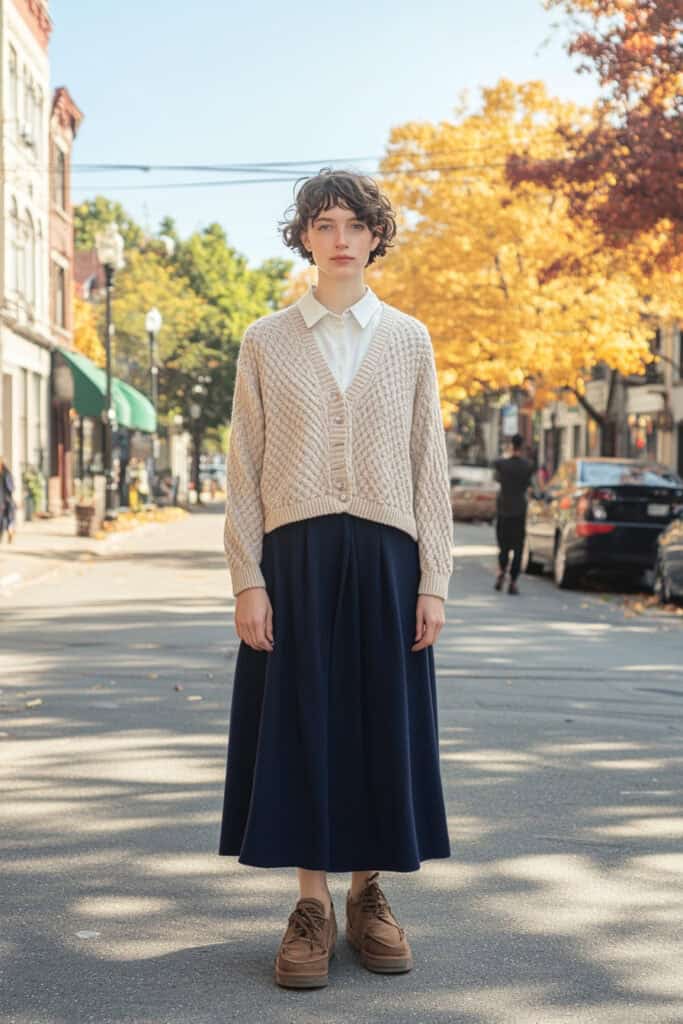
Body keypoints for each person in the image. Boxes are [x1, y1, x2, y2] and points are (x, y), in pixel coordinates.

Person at [219, 169, 453, 990]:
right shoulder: (265, 339)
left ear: (376, 235)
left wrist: (435, 579)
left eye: (355, 223)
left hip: (390, 560)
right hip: (296, 560)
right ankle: (310, 905)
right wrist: (248, 576)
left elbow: (430, 462)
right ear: (305, 237)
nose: (340, 237)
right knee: (302, 724)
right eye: (323, 223)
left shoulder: (409, 338)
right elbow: (243, 464)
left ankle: (370, 894)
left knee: (377, 723)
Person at [493, 434, 534, 595]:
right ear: (522, 447)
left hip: (504, 510)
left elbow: (496, 463)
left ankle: (502, 572)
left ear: (511, 446)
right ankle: (513, 581)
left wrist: (507, 453)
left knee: (503, 547)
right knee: (518, 548)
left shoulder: (501, 464)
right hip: (520, 511)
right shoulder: (528, 465)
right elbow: (531, 486)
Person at [0, 455, 16, 543]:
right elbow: (11, 487)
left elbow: (11, 488)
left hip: (5, 500)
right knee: (8, 518)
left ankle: (9, 532)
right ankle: (8, 532)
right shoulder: (7, 473)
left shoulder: (6, 473)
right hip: (5, 499)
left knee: (8, 518)